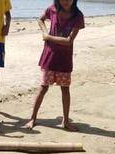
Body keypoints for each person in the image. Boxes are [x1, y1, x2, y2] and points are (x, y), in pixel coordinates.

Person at [25, 0, 84, 131]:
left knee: (65, 89)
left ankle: (66, 121)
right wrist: (44, 32)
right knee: (43, 87)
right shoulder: (52, 9)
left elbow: (69, 41)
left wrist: (48, 37)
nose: (67, 1)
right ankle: (32, 118)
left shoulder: (78, 16)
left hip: (64, 59)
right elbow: (40, 20)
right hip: (50, 57)